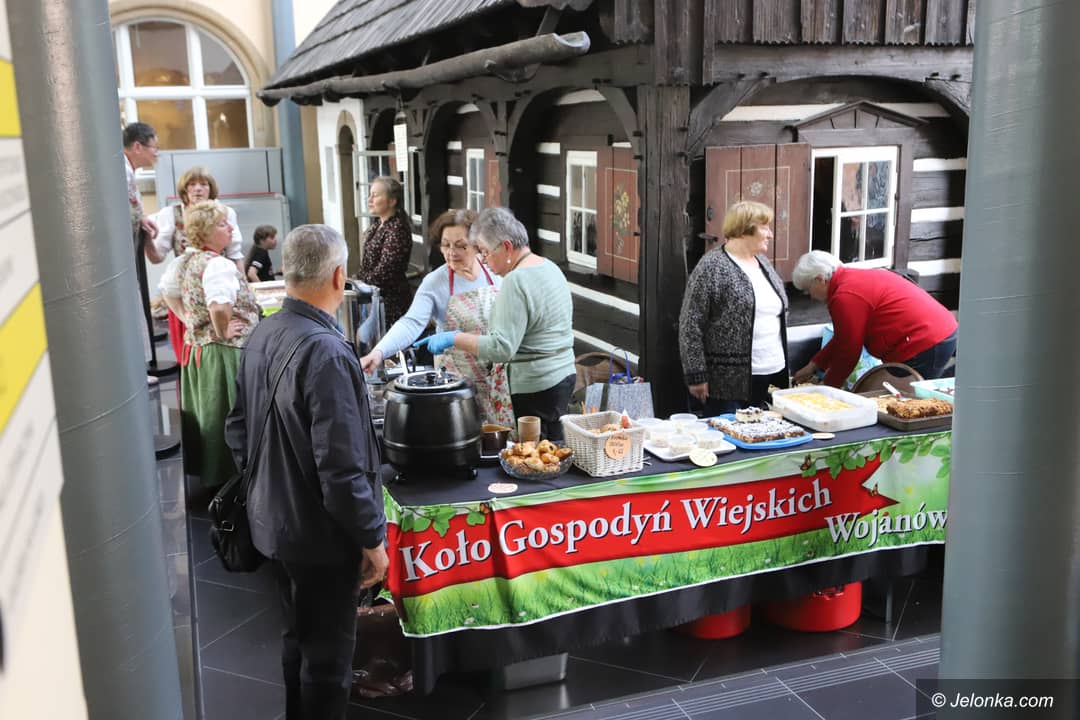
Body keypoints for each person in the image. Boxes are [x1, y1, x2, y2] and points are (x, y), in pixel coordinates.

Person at [225, 224, 388, 720]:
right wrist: (372, 539)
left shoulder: (264, 330)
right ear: (339, 277)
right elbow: (342, 470)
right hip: (320, 537)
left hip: (273, 523)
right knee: (328, 664)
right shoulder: (327, 351)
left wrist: (267, 489)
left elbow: (236, 429)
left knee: (297, 641)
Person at [413, 207, 574, 441]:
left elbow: (502, 348)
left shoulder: (515, 280)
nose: (484, 260)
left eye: (486, 252)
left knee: (532, 455)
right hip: (563, 377)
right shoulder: (548, 266)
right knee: (553, 448)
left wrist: (453, 338)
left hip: (533, 386)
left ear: (507, 247)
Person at [360, 209, 514, 428]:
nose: (451, 253)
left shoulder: (495, 272)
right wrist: (379, 352)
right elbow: (411, 322)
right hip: (457, 388)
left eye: (460, 246)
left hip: (498, 383)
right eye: (445, 245)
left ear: (478, 245)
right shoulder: (435, 282)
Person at [161, 200, 259, 490]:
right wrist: (222, 330)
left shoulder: (185, 261)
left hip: (198, 350)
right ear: (205, 231)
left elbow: (167, 291)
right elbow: (218, 306)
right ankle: (232, 479)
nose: (230, 228)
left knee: (207, 411)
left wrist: (189, 319)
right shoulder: (217, 264)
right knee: (224, 413)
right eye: (222, 224)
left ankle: (211, 475)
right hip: (222, 353)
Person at [679, 201, 790, 415]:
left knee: (759, 432)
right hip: (726, 383)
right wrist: (696, 374)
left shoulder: (763, 263)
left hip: (768, 372)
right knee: (727, 432)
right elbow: (690, 325)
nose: (770, 234)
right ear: (744, 230)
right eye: (765, 227)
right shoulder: (711, 267)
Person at [791, 250, 958, 387]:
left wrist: (827, 388)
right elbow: (845, 337)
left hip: (925, 341)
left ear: (820, 279)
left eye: (808, 289)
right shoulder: (851, 280)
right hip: (938, 332)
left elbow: (849, 352)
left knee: (906, 401)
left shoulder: (844, 296)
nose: (811, 296)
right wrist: (814, 365)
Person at [147, 165, 245, 361]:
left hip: (221, 291)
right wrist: (146, 239)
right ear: (184, 190)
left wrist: (244, 290)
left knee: (225, 351)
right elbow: (157, 257)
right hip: (188, 297)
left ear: (211, 188)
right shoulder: (172, 214)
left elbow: (235, 255)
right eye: (192, 185)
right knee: (193, 354)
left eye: (203, 184)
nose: (198, 189)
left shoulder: (226, 213)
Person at [123, 122, 159, 371]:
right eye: (153, 148)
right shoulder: (121, 171)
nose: (156, 153)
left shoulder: (127, 171)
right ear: (138, 146)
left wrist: (142, 218)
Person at [358, 176, 413, 326]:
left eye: (375, 195)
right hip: (374, 297)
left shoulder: (397, 229)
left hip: (391, 302)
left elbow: (386, 271)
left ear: (392, 201)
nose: (369, 199)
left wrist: (359, 283)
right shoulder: (378, 225)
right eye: (370, 194)